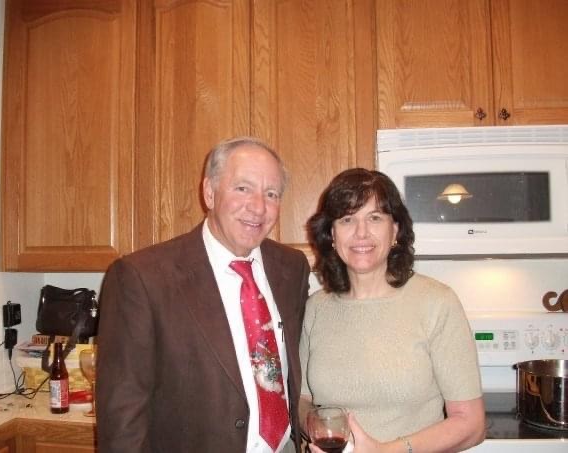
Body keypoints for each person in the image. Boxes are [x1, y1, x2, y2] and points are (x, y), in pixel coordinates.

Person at [96, 137, 311, 452]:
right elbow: (121, 420)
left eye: (271, 194)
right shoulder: (143, 278)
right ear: (209, 192)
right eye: (243, 188)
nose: (258, 207)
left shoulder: (291, 268)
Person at [300, 168, 485, 453]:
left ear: (395, 230)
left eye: (375, 217)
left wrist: (386, 451)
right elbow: (303, 400)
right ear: (332, 235)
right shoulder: (316, 308)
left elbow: (471, 424)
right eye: (347, 219)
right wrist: (321, 432)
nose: (361, 232)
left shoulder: (437, 302)